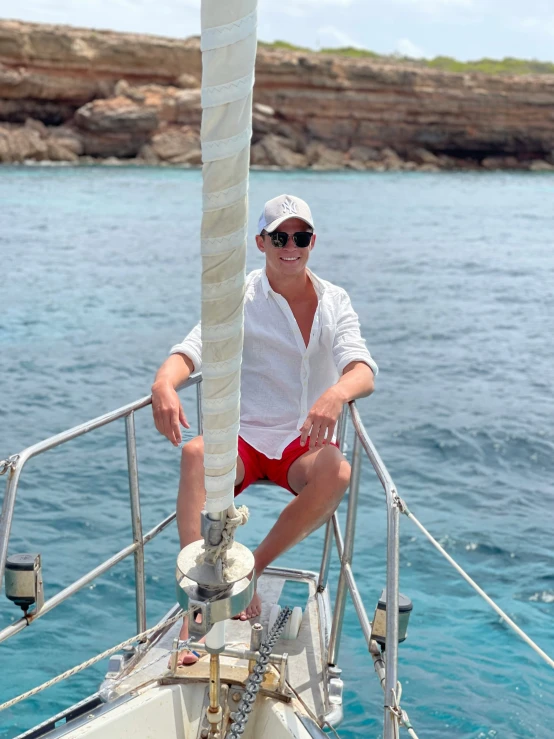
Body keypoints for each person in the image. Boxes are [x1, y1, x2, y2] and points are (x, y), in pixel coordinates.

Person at [152, 194, 378, 665]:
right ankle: (202, 596)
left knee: (336, 472)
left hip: (301, 442)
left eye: (300, 236)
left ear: (312, 241)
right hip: (246, 437)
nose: (290, 246)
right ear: (261, 242)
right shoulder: (239, 295)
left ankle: (250, 569)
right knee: (196, 455)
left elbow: (362, 369)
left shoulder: (334, 300)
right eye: (280, 236)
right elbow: (190, 350)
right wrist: (163, 384)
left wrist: (336, 394)